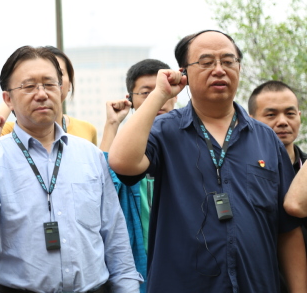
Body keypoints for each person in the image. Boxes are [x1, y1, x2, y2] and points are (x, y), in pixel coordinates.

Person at [108, 30, 307, 292]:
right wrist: (159, 94)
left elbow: (288, 230)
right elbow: (121, 162)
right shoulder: (164, 131)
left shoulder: (266, 139)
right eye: (206, 62)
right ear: (184, 73)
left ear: (239, 68)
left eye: (228, 61)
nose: (219, 69)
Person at [0, 46, 142, 293]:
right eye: (29, 86)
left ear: (61, 90)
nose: (41, 94)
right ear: (8, 99)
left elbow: (115, 237)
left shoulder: (91, 155)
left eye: (49, 84)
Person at [99, 59, 177, 293]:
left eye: (163, 89)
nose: (158, 97)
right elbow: (104, 183)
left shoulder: (189, 139)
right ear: (130, 99)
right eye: (146, 92)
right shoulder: (125, 148)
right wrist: (112, 124)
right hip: (139, 266)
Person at [0, 46, 97, 148]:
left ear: (68, 83)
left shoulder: (86, 129)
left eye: (58, 74)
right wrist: (15, 95)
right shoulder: (13, 130)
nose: (42, 93)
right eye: (31, 84)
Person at [248, 80, 307, 292]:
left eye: (290, 114)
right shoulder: (239, 175)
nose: (282, 122)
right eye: (271, 115)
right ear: (250, 120)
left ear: (299, 116)